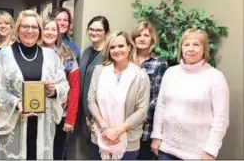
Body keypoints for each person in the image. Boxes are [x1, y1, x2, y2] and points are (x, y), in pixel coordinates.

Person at [0, 10, 69, 159]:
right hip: (15, 124)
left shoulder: (51, 56)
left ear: (40, 30)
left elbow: (64, 84)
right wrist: (16, 103)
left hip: (42, 124)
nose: (30, 31)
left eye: (34, 27)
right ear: (18, 29)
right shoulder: (4, 56)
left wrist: (53, 90)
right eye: (25, 26)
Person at [151, 29, 230, 160]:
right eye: (186, 44)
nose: (191, 49)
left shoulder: (215, 77)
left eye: (196, 45)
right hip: (167, 149)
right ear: (181, 48)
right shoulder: (170, 73)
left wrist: (211, 150)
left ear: (204, 49)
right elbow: (161, 106)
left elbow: (221, 118)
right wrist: (157, 136)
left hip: (198, 153)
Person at [88, 31, 150, 160]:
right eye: (112, 47)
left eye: (121, 46)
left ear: (129, 47)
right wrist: (105, 128)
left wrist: (117, 131)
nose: (116, 50)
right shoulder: (99, 71)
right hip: (100, 136)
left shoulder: (140, 76)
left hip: (128, 141)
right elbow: (91, 100)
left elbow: (142, 110)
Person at [39, 17, 80, 160]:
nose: (50, 32)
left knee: (56, 153)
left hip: (59, 115)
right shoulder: (32, 52)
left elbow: (74, 88)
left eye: (53, 29)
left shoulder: (66, 54)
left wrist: (70, 119)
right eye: (46, 28)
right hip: (35, 113)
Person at [72, 16, 110, 160]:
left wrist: (94, 116)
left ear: (106, 32)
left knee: (101, 151)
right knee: (89, 150)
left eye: (99, 30)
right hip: (83, 109)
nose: (94, 32)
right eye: (91, 29)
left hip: (98, 113)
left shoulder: (108, 54)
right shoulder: (87, 51)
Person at [131, 21, 168, 160]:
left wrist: (140, 115)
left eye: (146, 35)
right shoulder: (126, 61)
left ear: (152, 39)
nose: (141, 38)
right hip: (122, 124)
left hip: (145, 124)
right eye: (138, 35)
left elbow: (158, 97)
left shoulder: (159, 64)